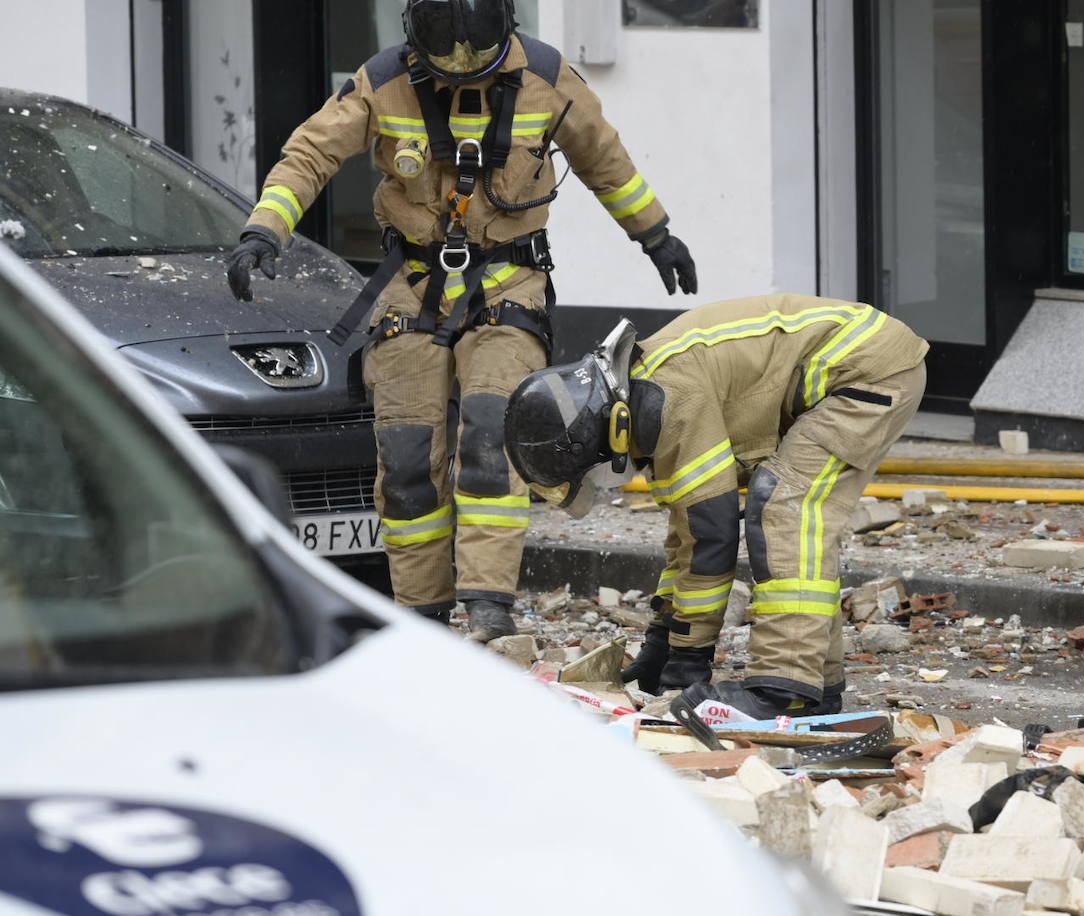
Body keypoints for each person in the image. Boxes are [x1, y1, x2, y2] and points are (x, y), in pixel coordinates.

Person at [225, 0, 696, 641]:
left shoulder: (547, 76)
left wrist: (656, 235)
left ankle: (489, 605)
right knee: (408, 454)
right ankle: (421, 614)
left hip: (508, 282)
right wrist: (264, 230)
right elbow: (310, 156)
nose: (465, 76)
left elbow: (604, 160)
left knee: (491, 439)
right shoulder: (382, 80)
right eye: (450, 70)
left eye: (479, 65)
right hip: (411, 287)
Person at [502, 294, 928, 718]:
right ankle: (818, 687)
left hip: (867, 369)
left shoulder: (666, 400)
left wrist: (688, 658)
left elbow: (713, 537)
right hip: (859, 361)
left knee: (784, 507)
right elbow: (689, 531)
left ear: (598, 438)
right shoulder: (638, 391)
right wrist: (662, 643)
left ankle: (784, 689)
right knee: (786, 511)